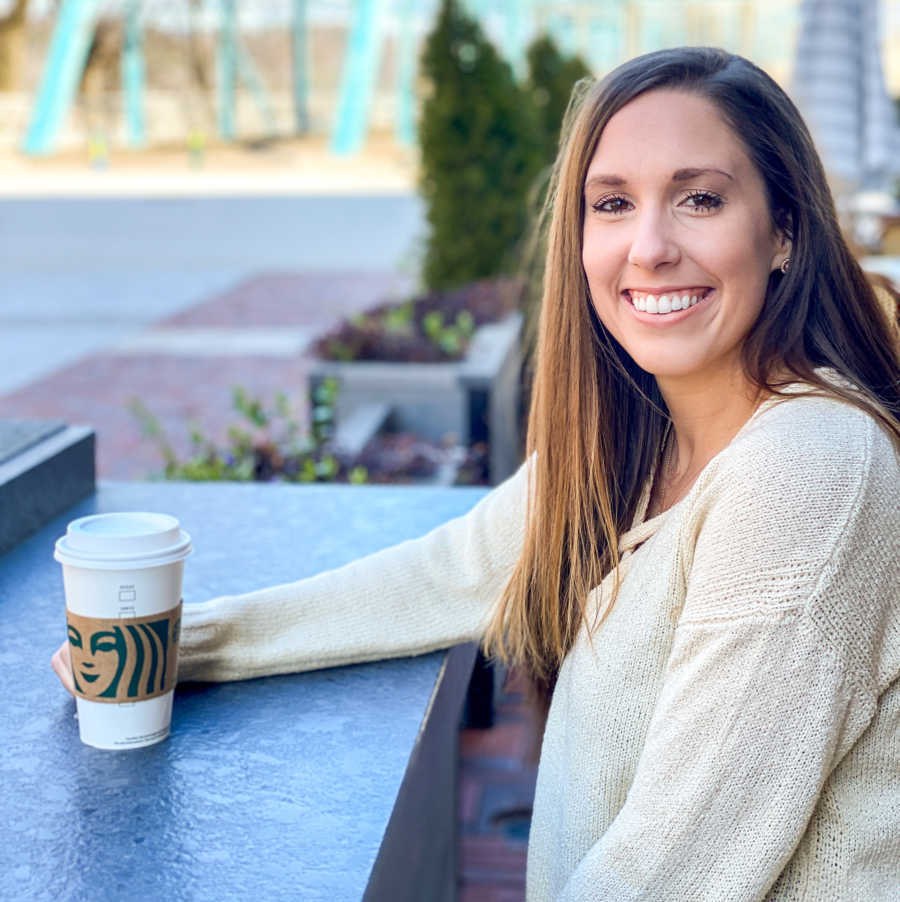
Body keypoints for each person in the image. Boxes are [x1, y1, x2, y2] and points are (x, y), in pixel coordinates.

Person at [53, 47, 900, 899]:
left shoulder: (808, 471)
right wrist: (171, 643)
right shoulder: (639, 437)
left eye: (700, 199)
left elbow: (666, 871)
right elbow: (441, 574)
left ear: (784, 228)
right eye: (612, 204)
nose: (648, 247)